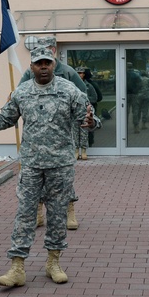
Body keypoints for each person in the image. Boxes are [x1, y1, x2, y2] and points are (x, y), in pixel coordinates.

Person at [0, 46, 94, 287]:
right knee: (25, 214)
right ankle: (17, 267)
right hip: (31, 165)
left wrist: (91, 122)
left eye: (48, 62)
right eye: (39, 63)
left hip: (60, 165)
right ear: (32, 66)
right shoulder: (22, 92)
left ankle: (53, 263)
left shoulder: (70, 91)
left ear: (54, 64)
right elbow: (5, 119)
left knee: (57, 215)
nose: (44, 67)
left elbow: (87, 120)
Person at [23, 36, 88, 230]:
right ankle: (38, 213)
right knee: (36, 182)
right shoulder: (30, 72)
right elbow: (19, 93)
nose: (45, 53)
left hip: (59, 139)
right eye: (40, 49)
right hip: (36, 139)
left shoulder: (67, 72)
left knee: (63, 181)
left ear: (54, 49)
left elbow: (82, 95)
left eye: (48, 48)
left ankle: (70, 211)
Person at [76, 67, 101, 158]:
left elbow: (95, 98)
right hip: (75, 112)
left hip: (87, 110)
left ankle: (84, 150)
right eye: (78, 73)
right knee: (75, 132)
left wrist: (84, 100)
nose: (80, 75)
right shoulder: (72, 85)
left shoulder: (89, 86)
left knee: (86, 131)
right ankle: (76, 150)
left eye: (81, 73)